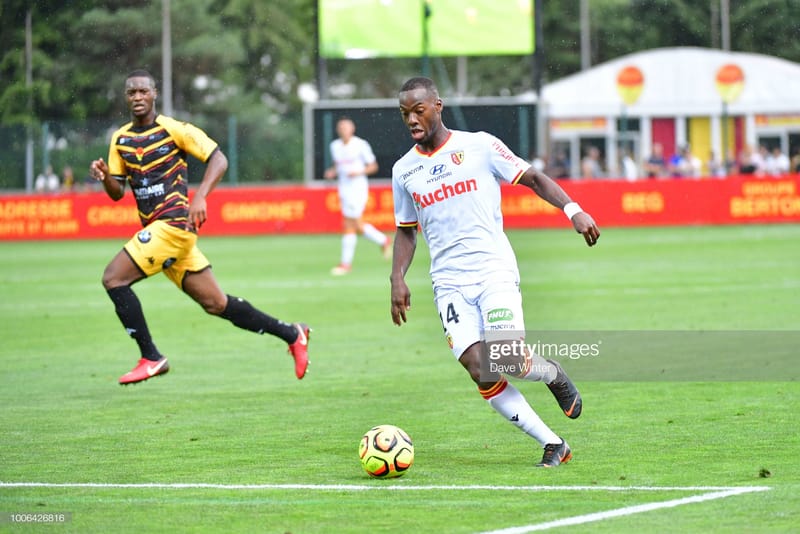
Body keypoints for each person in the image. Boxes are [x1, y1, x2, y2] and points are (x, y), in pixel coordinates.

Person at [389, 77, 600, 468]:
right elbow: (405, 232)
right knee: (479, 370)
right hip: (448, 282)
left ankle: (552, 373)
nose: (412, 120)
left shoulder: (479, 146)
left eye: (418, 110)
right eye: (405, 114)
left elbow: (533, 178)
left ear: (438, 106)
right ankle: (554, 443)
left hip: (493, 270)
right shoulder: (404, 170)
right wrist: (396, 278)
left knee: (506, 359)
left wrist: (573, 210)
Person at [89, 69, 310, 385]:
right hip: (164, 234)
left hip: (174, 225)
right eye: (131, 93)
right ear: (126, 98)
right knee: (216, 304)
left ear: (154, 94)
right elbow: (116, 193)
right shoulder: (120, 139)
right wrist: (105, 177)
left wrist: (200, 196)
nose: (137, 97)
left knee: (113, 278)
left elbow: (218, 159)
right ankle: (292, 333)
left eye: (143, 91)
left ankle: (151, 356)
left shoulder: (174, 129)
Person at [323, 116, 391, 275]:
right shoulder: (335, 146)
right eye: (340, 128)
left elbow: (373, 166)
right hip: (344, 189)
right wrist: (332, 171)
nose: (343, 130)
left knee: (350, 224)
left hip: (357, 188)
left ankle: (346, 264)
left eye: (346, 128)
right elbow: (338, 165)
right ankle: (383, 240)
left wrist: (358, 172)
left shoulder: (360, 145)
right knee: (353, 225)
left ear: (352, 129)